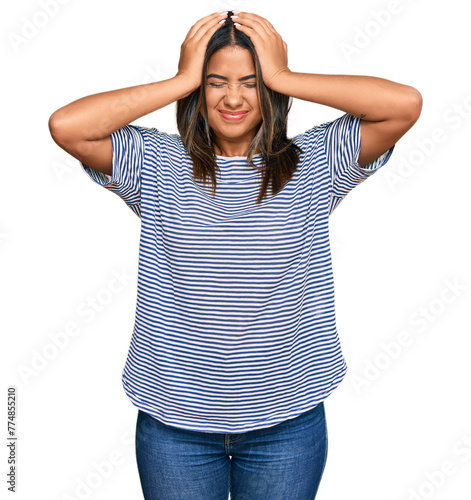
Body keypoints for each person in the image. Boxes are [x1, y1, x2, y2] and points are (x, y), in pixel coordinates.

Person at [48, 10, 422, 500]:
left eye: (251, 82)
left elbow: (403, 105)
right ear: (197, 92)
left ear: (269, 90)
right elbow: (68, 126)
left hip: (287, 422)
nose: (232, 97)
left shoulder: (316, 162)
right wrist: (181, 78)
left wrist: (286, 75)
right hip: (174, 426)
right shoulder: (156, 164)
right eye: (214, 82)